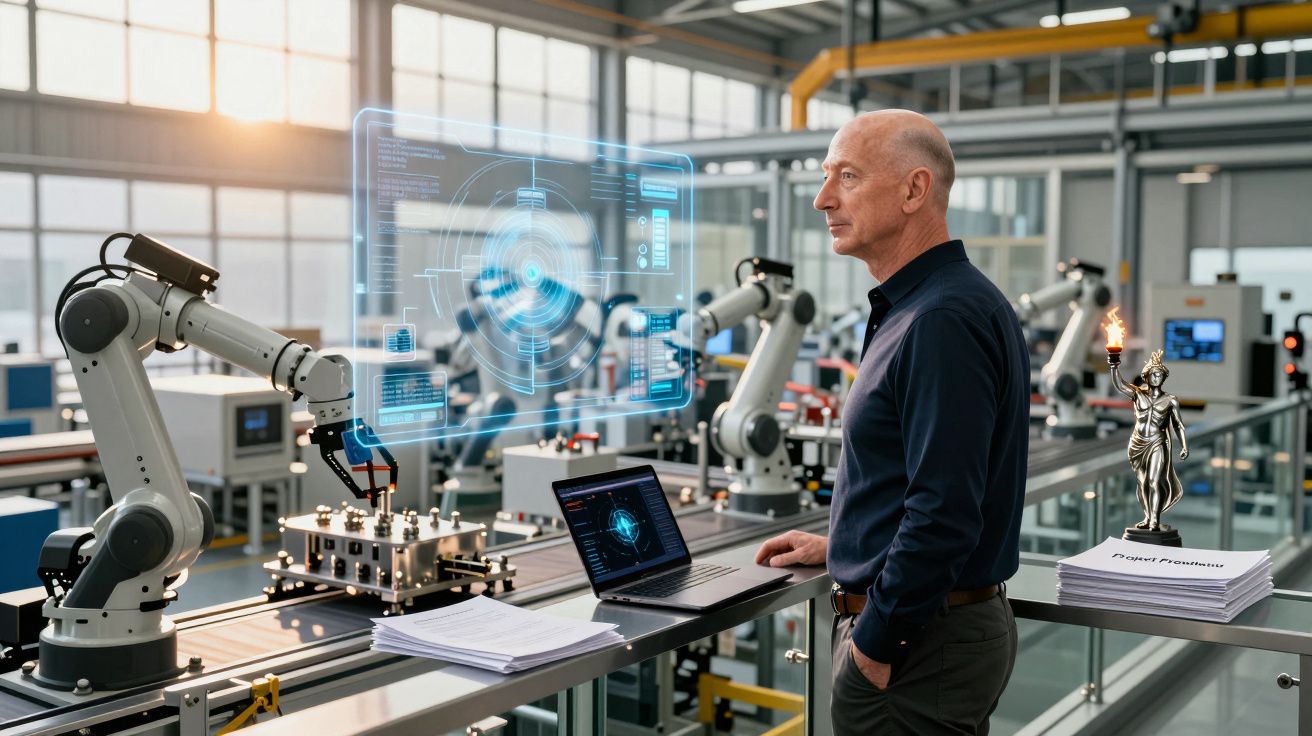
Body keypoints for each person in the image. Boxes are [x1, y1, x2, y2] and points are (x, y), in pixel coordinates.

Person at [754, 110, 1030, 735]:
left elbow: (945, 511)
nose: (825, 199)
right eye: (827, 177)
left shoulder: (939, 319)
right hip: (926, 635)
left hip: (915, 647)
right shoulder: (928, 305)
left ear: (914, 190)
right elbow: (930, 480)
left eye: (847, 177)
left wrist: (876, 646)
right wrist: (849, 545)